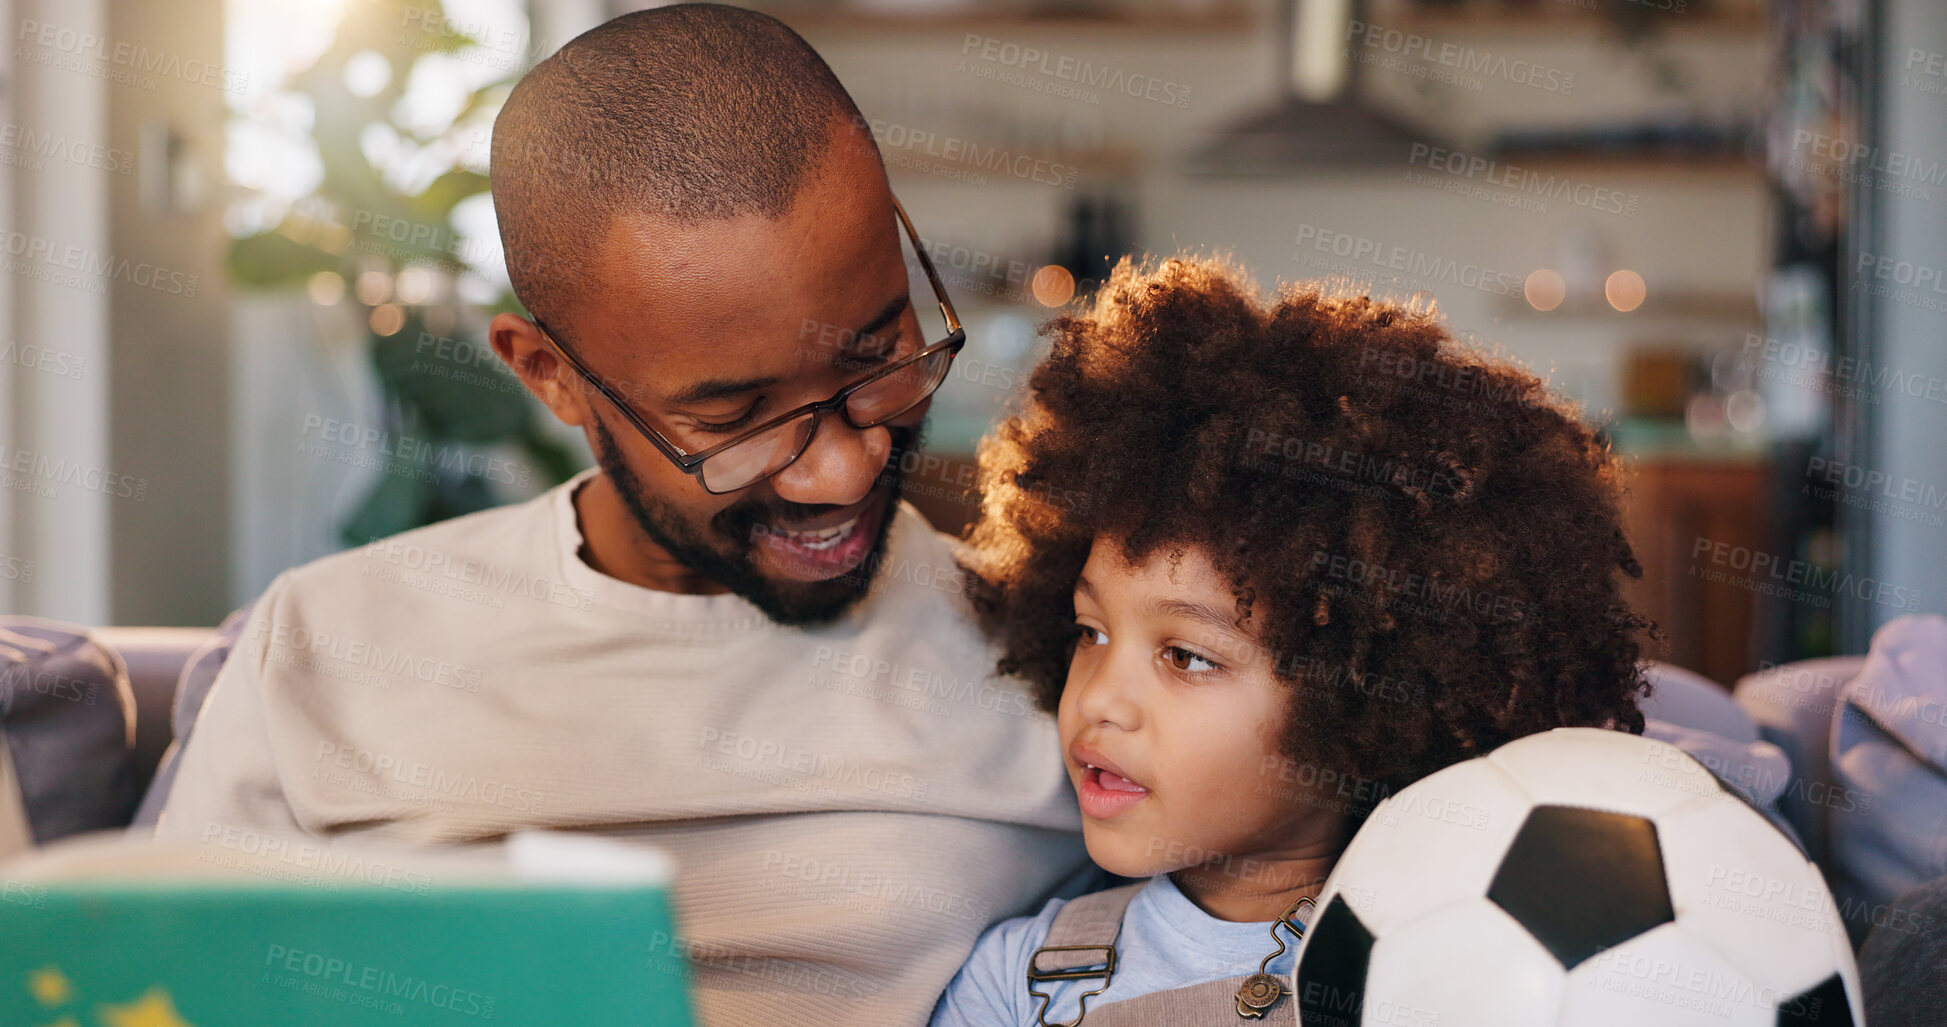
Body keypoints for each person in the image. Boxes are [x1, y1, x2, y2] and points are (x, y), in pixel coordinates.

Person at [157, 6, 1088, 1025]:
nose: (842, 467)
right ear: (550, 376)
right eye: (733, 416)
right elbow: (157, 991)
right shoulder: (324, 650)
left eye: (879, 355)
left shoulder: (1065, 661)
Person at [930, 257, 1653, 1025]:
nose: (1101, 696)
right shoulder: (1015, 983)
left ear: (1355, 700)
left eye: (1185, 656)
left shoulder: (1472, 970)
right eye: (1089, 631)